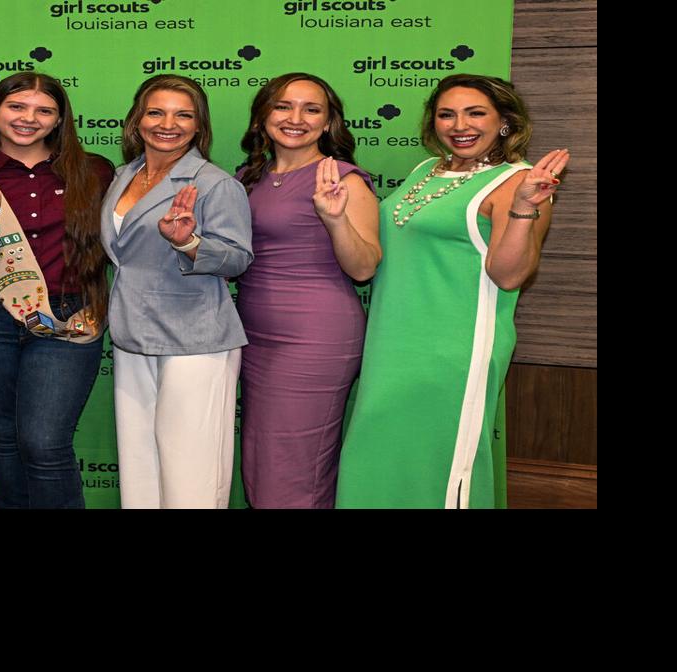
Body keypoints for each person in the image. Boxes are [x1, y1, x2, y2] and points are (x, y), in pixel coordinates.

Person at [336, 74, 570, 508]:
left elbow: (509, 275)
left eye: (475, 113)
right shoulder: (428, 170)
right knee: (379, 455)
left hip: (452, 352)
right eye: (447, 114)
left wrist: (523, 207)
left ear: (504, 121)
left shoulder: (517, 182)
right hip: (391, 344)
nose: (459, 124)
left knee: (436, 463)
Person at [0, 72, 113, 509]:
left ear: (59, 120)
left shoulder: (95, 170)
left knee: (46, 443)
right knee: (4, 441)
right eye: (16, 106)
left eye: (43, 110)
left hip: (67, 318)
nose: (28, 118)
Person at [101, 74, 253, 509]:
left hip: (196, 339)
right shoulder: (121, 177)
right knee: (139, 466)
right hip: (132, 335)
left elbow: (238, 258)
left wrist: (188, 242)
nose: (168, 124)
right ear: (136, 120)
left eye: (183, 114)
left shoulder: (214, 184)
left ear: (199, 126)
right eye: (156, 112)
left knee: (192, 471)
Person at [234, 73, 380, 509]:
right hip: (253, 338)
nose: (295, 118)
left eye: (311, 109)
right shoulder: (247, 177)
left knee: (295, 466)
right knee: (262, 461)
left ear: (328, 122)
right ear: (263, 116)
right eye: (283, 106)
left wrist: (334, 219)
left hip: (315, 338)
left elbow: (365, 267)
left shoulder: (343, 180)